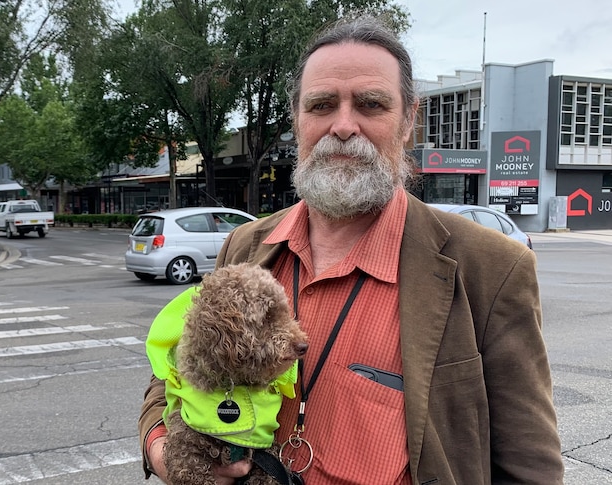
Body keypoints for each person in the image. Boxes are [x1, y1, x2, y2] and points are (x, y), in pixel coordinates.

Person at [139, 15, 563, 485]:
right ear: (297, 120)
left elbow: (530, 465)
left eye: (371, 104)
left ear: (407, 123)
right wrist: (160, 445)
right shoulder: (245, 245)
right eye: (321, 105)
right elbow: (177, 369)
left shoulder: (493, 268)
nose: (343, 126)